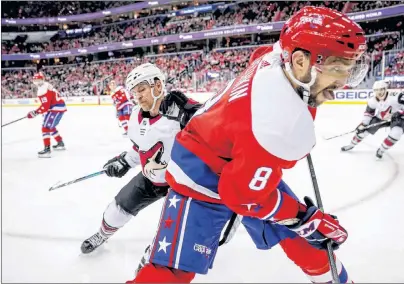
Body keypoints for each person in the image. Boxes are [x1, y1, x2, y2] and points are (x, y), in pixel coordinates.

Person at [131, 6, 368, 283]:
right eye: (337, 68)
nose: (344, 82)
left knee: (301, 237)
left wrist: (300, 220)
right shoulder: (281, 125)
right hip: (200, 172)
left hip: (240, 157)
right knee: (173, 272)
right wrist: (304, 218)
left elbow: (260, 55)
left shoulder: (277, 57)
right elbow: (241, 196)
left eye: (350, 70)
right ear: (301, 61)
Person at [81, 63, 201, 254]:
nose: (138, 97)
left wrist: (197, 115)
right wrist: (125, 161)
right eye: (134, 92)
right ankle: (102, 234)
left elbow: (214, 130)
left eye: (142, 90)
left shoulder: (181, 113)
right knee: (117, 208)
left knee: (179, 226)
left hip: (181, 182)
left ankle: (165, 255)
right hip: (151, 178)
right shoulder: (136, 115)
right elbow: (142, 147)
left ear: (158, 86)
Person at [341, 80, 404, 158]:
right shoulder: (372, 101)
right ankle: (351, 145)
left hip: (398, 118)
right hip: (381, 118)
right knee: (362, 132)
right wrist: (364, 124)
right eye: (376, 90)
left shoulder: (396, 96)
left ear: (385, 89)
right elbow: (368, 113)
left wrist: (401, 112)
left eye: (381, 89)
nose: (379, 92)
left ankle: (381, 150)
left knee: (396, 133)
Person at [27, 72, 67, 158]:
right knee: (50, 127)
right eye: (35, 80)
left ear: (42, 80)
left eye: (38, 80)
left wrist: (34, 113)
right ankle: (60, 143)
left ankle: (47, 149)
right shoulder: (46, 85)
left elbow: (45, 106)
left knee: (45, 127)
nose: (37, 82)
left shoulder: (42, 89)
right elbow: (48, 104)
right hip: (57, 108)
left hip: (56, 109)